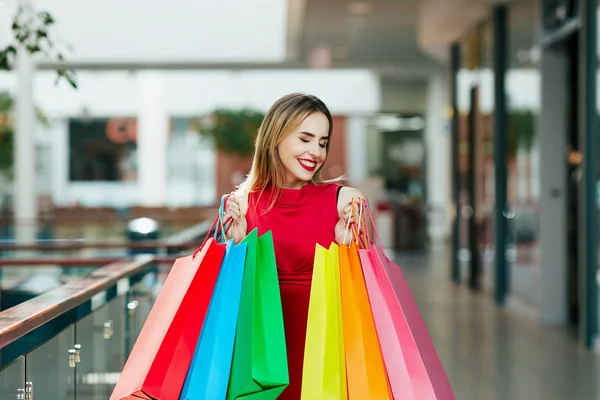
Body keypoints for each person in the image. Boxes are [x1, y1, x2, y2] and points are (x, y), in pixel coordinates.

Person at [222, 93, 367, 399]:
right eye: (305, 138)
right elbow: (224, 299)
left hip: (327, 351)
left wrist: (347, 246)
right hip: (260, 357)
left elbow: (368, 291)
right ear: (276, 137)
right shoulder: (240, 203)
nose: (315, 151)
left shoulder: (344, 200)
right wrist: (235, 248)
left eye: (323, 142)